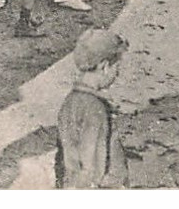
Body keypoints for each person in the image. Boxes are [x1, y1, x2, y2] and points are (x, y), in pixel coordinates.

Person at [55, 28, 131, 189]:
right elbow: (92, 167)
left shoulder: (70, 101)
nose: (117, 73)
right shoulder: (95, 109)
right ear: (104, 66)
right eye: (116, 66)